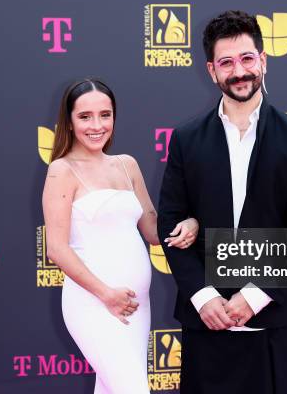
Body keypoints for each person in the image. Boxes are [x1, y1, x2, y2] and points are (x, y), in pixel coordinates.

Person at [158, 11, 287, 393]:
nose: (239, 71)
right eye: (227, 62)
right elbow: (171, 222)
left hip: (277, 323)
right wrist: (202, 296)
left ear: (263, 60)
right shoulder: (186, 139)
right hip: (207, 325)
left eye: (247, 59)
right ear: (212, 70)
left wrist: (253, 295)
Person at [42, 78, 199, 394]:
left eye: (105, 114)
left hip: (136, 305)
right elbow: (56, 250)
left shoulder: (127, 165)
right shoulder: (61, 170)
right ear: (69, 122)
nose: (96, 125)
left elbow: (153, 231)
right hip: (93, 304)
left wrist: (191, 223)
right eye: (85, 116)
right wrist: (105, 293)